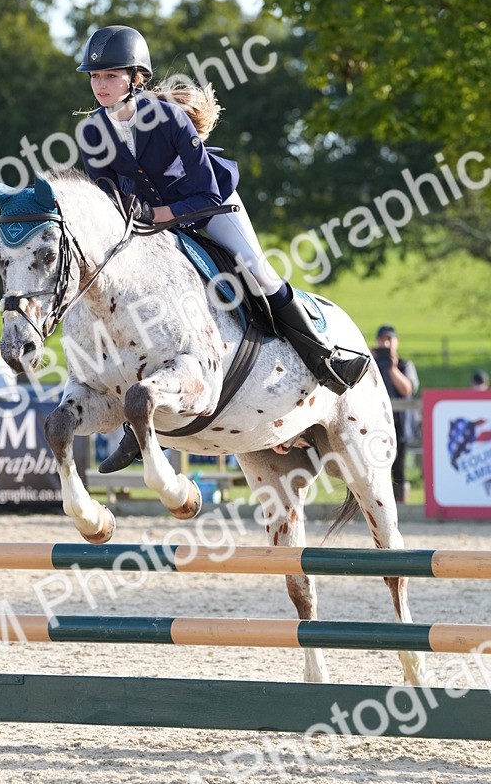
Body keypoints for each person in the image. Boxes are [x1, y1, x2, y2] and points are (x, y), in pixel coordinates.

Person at [75, 23, 371, 472]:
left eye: (111, 76)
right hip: (152, 225)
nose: (101, 85)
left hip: (209, 205)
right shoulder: (93, 133)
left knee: (255, 269)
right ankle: (135, 428)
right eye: (95, 77)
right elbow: (105, 199)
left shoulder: (167, 118)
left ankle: (322, 357)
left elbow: (207, 194)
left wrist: (154, 216)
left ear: (136, 78)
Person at [372, 325, 419, 503]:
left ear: (396, 342)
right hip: (375, 423)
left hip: (400, 423)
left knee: (398, 467)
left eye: (389, 339)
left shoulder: (405, 365)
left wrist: (392, 368)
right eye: (382, 339)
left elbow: (407, 389)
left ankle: (401, 503)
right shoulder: (373, 364)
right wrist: (368, 360)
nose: (386, 343)